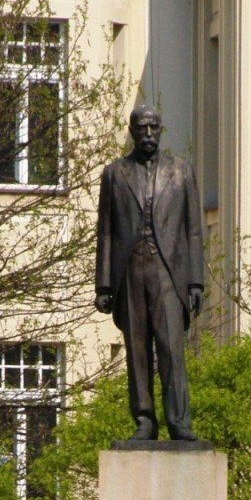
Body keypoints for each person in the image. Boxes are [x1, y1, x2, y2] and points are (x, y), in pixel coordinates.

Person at [94, 106, 204, 441]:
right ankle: (144, 420)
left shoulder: (181, 172)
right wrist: (104, 284)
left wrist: (196, 281)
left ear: (162, 129)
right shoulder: (114, 174)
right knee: (137, 349)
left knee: (171, 348)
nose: (148, 135)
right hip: (130, 271)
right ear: (131, 131)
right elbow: (106, 232)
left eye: (154, 128)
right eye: (142, 129)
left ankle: (178, 421)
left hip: (169, 273)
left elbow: (193, 231)